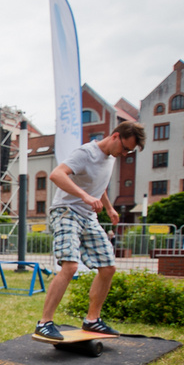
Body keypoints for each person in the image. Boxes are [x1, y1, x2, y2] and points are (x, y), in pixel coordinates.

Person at [34, 122, 146, 341]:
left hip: (88, 216)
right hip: (66, 211)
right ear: (115, 136)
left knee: (108, 267)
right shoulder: (86, 153)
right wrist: (84, 196)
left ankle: (92, 320)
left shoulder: (110, 159)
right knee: (70, 265)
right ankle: (45, 322)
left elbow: (99, 184)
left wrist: (110, 208)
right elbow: (57, 175)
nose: (124, 154)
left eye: (129, 152)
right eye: (125, 148)